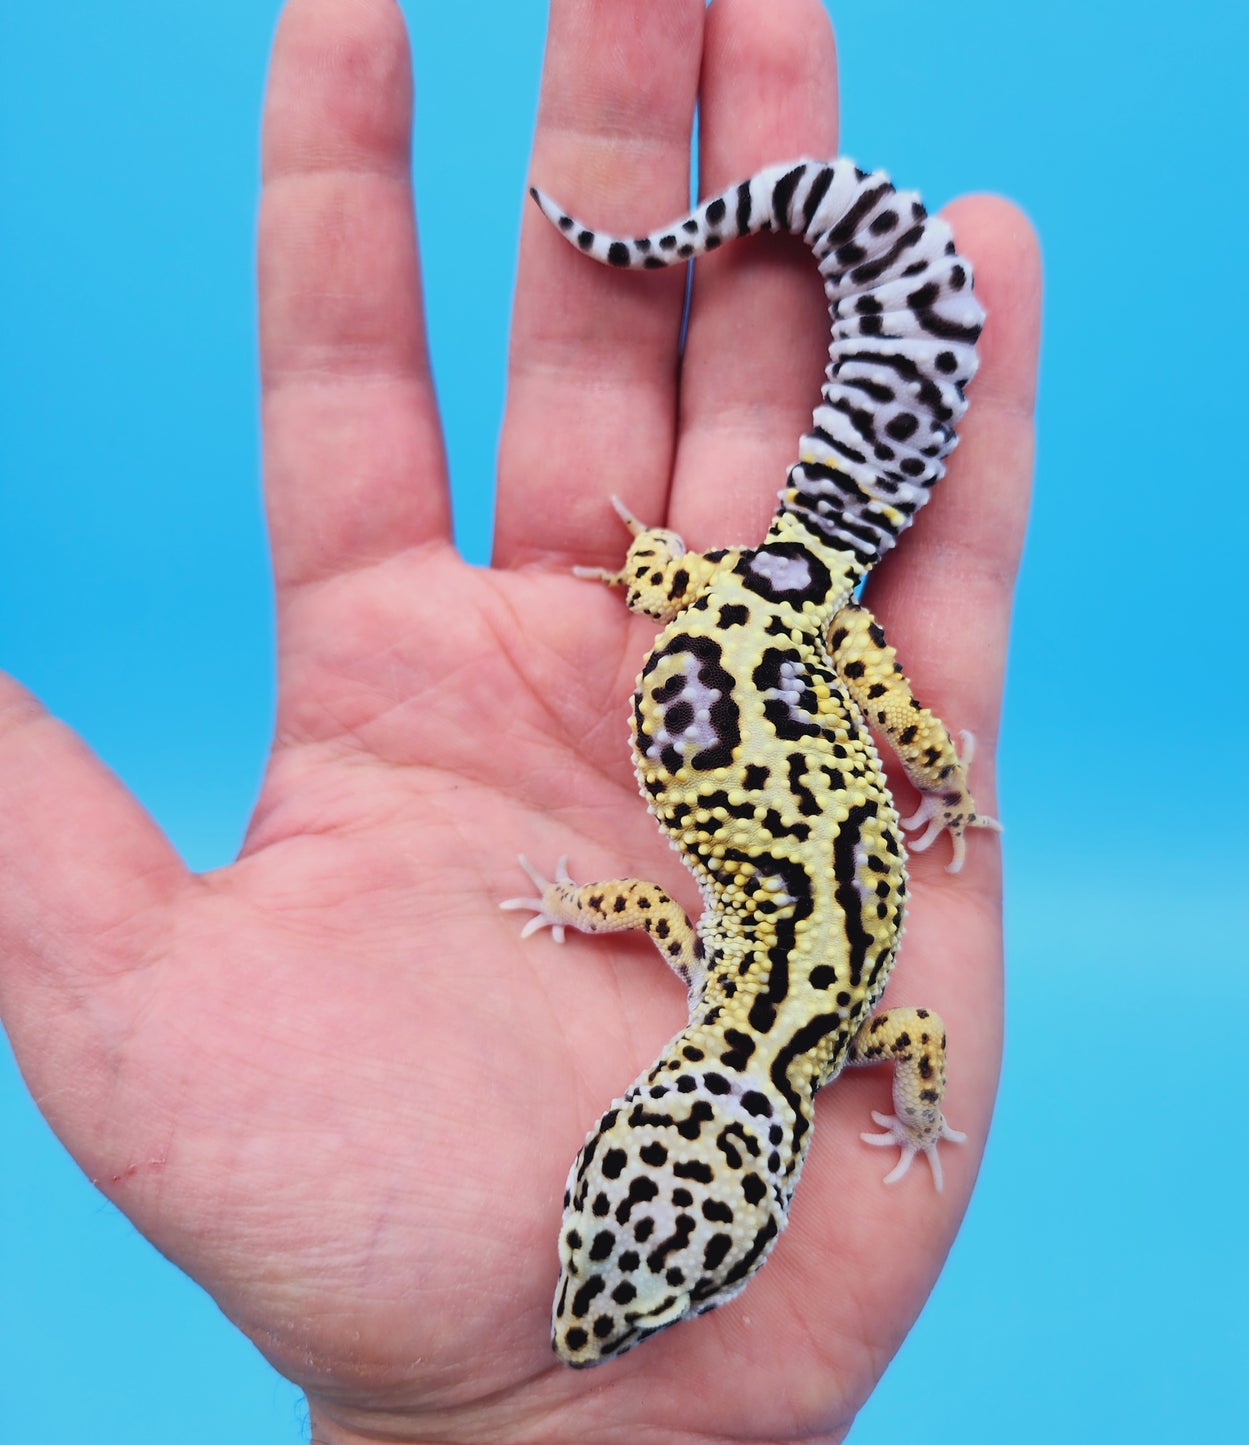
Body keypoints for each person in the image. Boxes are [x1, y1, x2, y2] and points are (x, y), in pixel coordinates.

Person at [0, 0, 1039, 1438]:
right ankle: (787, 581)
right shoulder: (755, 1003)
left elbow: (894, 1023)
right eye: (631, 1289)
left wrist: (914, 822)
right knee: (898, 723)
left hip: (769, 618)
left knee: (882, 706)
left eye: (595, 1252)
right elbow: (703, 937)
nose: (579, 1325)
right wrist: (930, 798)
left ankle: (766, 562)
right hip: (774, 621)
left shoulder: (812, 1025)